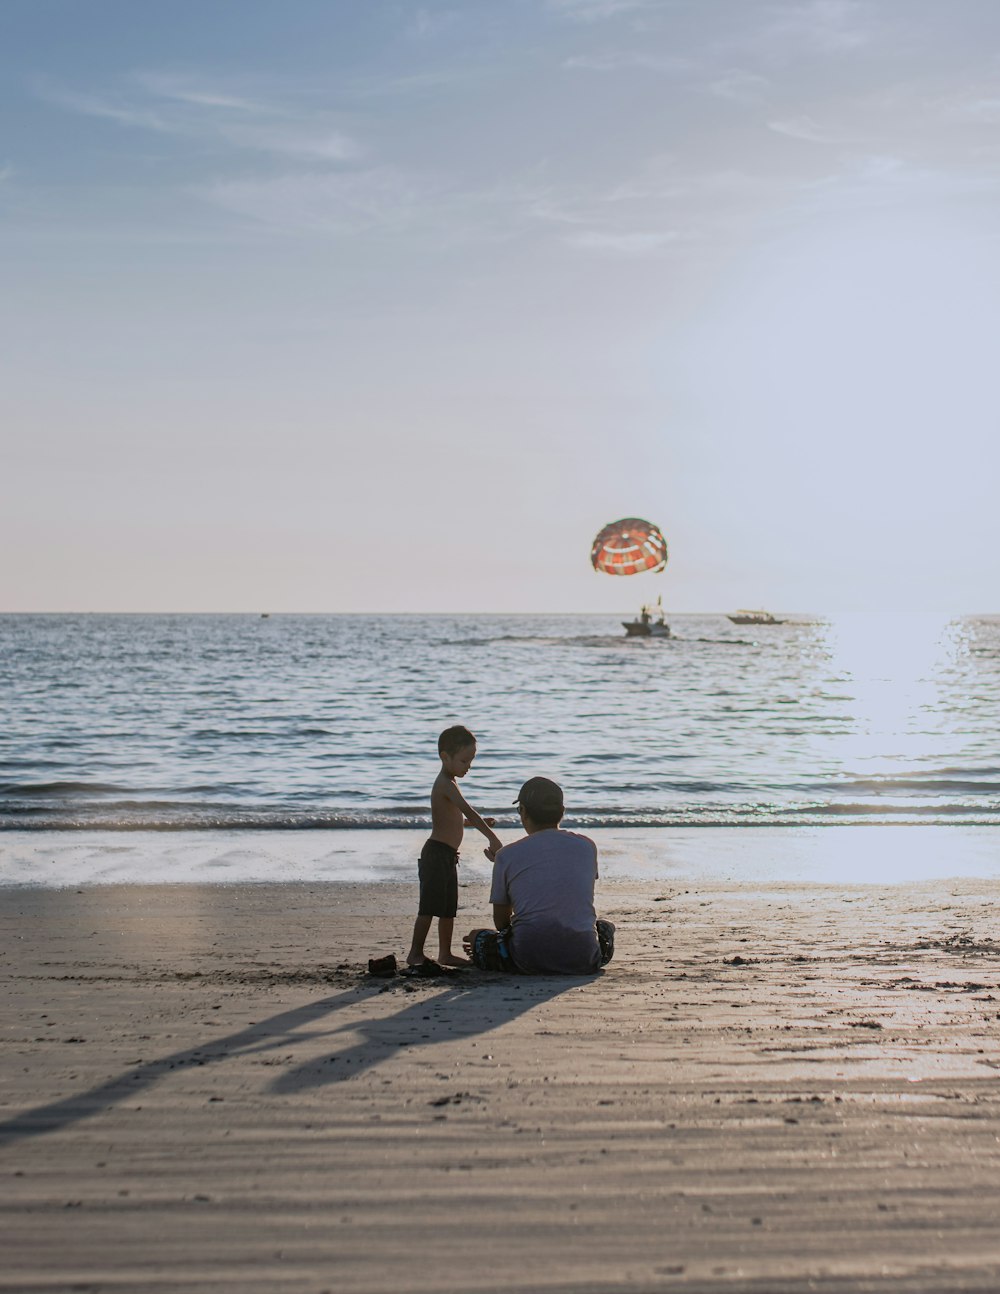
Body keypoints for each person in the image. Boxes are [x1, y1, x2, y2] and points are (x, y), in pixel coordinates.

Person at [464, 777, 615, 975]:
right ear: (562, 812)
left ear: (524, 812)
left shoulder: (507, 855)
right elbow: (566, 889)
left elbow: (501, 923)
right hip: (584, 958)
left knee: (478, 937)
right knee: (604, 927)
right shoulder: (587, 846)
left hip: (526, 958)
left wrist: (503, 866)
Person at [406, 725, 503, 972]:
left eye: (471, 761)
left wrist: (472, 824)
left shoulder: (450, 782)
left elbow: (454, 818)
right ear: (445, 757)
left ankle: (445, 953)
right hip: (436, 854)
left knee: (448, 909)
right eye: (464, 761)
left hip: (448, 855)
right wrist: (492, 837)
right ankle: (415, 953)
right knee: (429, 907)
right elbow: (468, 809)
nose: (468, 766)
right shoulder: (445, 784)